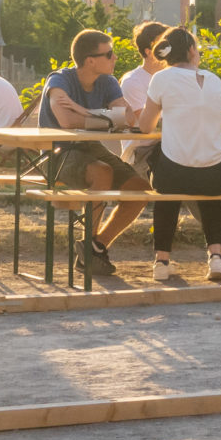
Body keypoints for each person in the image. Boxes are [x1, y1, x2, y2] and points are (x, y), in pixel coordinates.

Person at [135, 27, 221, 283]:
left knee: (167, 190)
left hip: (176, 174)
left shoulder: (161, 79)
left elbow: (145, 127)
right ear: (193, 51)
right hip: (219, 173)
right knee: (209, 182)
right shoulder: (215, 80)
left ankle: (161, 261)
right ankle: (216, 255)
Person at [41, 27, 150, 278]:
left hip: (91, 147)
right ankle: (89, 253)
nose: (116, 59)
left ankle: (95, 247)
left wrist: (85, 112)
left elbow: (128, 117)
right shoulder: (59, 79)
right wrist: (105, 117)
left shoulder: (108, 81)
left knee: (140, 189)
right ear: (91, 61)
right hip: (56, 152)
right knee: (103, 172)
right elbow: (66, 121)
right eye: (109, 54)